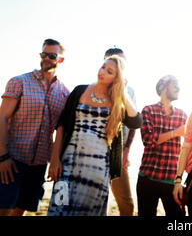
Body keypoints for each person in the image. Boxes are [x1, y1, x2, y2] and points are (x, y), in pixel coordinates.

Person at [47, 55, 141, 216]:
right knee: (59, 208)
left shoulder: (117, 102)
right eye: (103, 67)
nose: (102, 71)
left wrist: (123, 92)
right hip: (69, 163)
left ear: (116, 79)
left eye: (109, 71)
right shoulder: (79, 90)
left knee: (89, 211)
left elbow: (136, 122)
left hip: (98, 169)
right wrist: (55, 159)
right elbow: (61, 125)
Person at [0, 38, 69, 216]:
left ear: (60, 60)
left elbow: (60, 130)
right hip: (12, 159)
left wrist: (55, 160)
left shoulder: (64, 93)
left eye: (52, 56)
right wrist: (2, 156)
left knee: (21, 209)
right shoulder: (19, 82)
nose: (46, 58)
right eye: (43, 54)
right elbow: (2, 117)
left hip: (38, 164)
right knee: (3, 208)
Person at [137, 75, 187, 217]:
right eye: (175, 84)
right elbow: (148, 140)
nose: (179, 88)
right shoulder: (148, 110)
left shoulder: (182, 115)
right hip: (147, 180)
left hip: (172, 181)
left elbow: (188, 145)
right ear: (163, 87)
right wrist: (176, 132)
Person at [104, 47, 138, 216]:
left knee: (127, 205)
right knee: (99, 203)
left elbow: (134, 123)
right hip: (96, 153)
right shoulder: (93, 88)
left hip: (118, 154)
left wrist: (127, 151)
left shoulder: (129, 91)